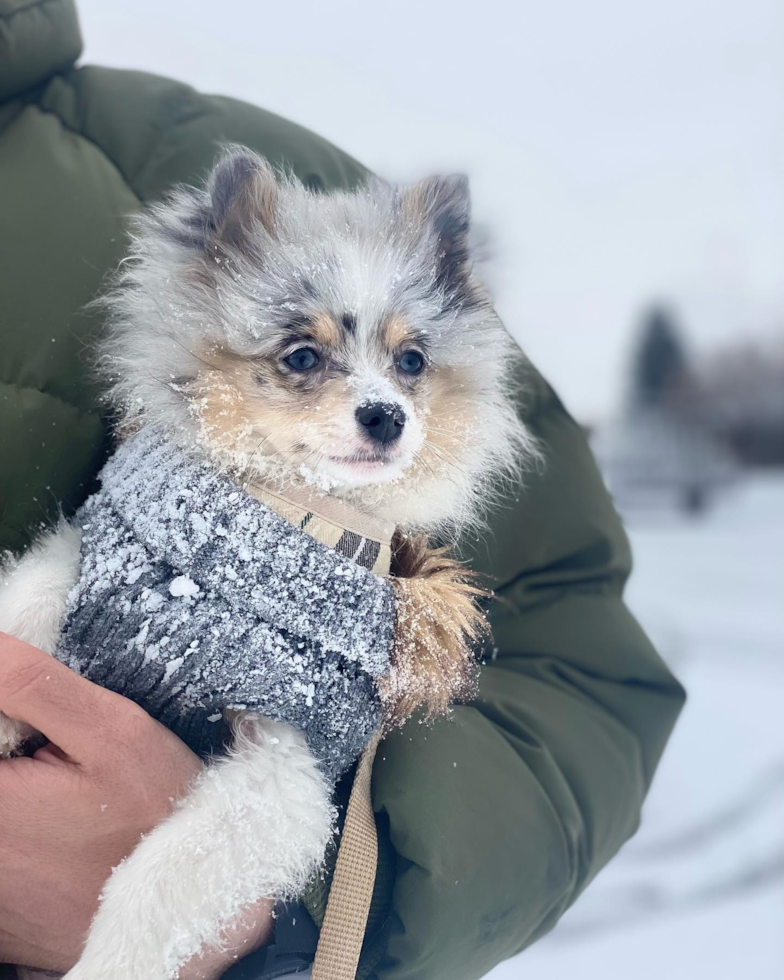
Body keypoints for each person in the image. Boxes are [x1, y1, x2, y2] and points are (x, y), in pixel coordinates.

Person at [0, 2, 685, 978]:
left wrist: (296, 914)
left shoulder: (161, 157)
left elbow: (570, 669)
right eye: (303, 358)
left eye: (407, 362)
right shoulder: (149, 484)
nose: (378, 401)